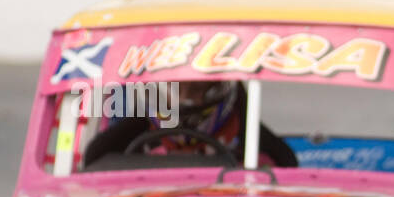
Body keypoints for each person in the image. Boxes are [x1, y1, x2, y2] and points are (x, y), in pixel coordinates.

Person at [82, 80, 297, 168]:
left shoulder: (261, 158)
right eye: (173, 89)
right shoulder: (116, 154)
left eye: (196, 90)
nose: (184, 100)